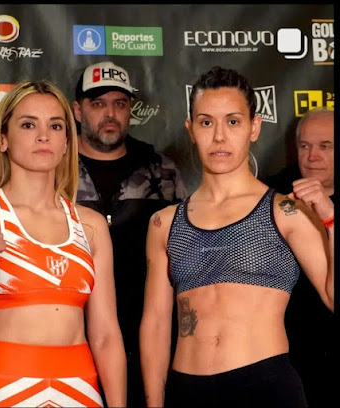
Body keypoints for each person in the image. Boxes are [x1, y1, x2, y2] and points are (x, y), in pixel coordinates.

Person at [139, 66, 334, 408]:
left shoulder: (286, 211)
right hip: (188, 391)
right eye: (206, 122)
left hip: (265, 388)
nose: (219, 137)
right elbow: (155, 325)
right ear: (191, 129)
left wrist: (330, 220)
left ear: (254, 127)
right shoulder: (164, 223)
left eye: (232, 121)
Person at [0, 80, 126, 408]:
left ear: (67, 142)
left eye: (55, 126)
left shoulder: (91, 225)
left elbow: (106, 337)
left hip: (80, 393)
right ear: (3, 139)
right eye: (28, 125)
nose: (43, 136)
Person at [73, 61, 187, 408]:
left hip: (149, 337)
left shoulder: (161, 170)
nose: (110, 113)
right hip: (73, 337)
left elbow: (185, 251)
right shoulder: (54, 168)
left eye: (120, 104)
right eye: (98, 103)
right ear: (77, 111)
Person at [265, 107, 334, 408]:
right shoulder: (273, 197)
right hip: (287, 356)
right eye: (305, 146)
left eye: (325, 146)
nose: (312, 156)